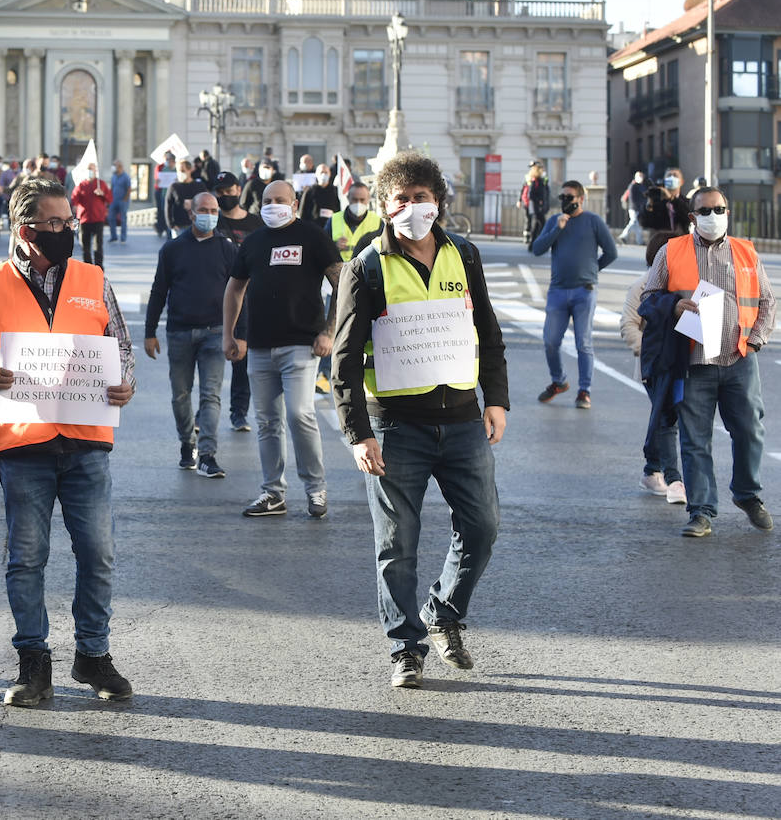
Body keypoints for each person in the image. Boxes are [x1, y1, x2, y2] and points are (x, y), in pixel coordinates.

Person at [0, 175, 136, 706]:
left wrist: (125, 382)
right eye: (53, 223)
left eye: (68, 222)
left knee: (98, 553)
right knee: (27, 558)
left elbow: (118, 346)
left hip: (86, 440)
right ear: (23, 229)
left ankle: (93, 656)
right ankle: (34, 664)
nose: (64, 231)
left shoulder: (93, 279)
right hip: (24, 444)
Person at [332, 151, 509, 689]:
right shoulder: (365, 267)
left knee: (482, 526)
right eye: (401, 200)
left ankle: (444, 611)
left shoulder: (466, 256)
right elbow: (343, 357)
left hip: (461, 421)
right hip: (394, 428)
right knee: (397, 545)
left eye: (422, 198)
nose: (413, 208)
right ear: (385, 207)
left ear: (439, 203)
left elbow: (489, 334)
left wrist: (496, 399)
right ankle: (405, 648)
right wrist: (358, 433)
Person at [640, 187, 776, 538]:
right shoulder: (673, 251)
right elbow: (648, 298)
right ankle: (701, 511)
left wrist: (756, 341)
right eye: (706, 210)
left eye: (720, 209)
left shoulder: (745, 251)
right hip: (693, 361)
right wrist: (673, 306)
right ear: (693, 216)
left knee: (750, 431)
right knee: (694, 439)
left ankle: (748, 495)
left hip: (738, 358)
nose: (714, 216)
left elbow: (767, 301)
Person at [222, 178, 340, 518]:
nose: (274, 205)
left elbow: (341, 282)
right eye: (268, 200)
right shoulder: (254, 241)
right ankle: (273, 493)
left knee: (299, 413)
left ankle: (315, 488)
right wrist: (229, 334)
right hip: (259, 346)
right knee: (267, 422)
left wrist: (329, 331)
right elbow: (234, 289)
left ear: (295, 204)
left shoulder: (313, 236)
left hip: (302, 344)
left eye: (281, 199)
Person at [146, 191, 235, 478]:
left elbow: (240, 292)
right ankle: (188, 444)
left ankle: (208, 454)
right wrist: (149, 332)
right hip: (180, 332)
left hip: (215, 332)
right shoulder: (172, 249)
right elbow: (159, 291)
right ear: (192, 213)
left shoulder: (227, 249)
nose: (209, 214)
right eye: (204, 209)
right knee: (180, 395)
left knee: (211, 395)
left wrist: (239, 334)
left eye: (214, 210)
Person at [530, 180, 618, 409]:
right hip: (558, 291)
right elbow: (537, 249)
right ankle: (559, 381)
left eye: (569, 197)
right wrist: (557, 229)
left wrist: (592, 270)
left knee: (583, 343)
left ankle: (584, 391)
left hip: (584, 291)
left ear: (581, 199)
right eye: (562, 198)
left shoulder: (593, 221)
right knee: (550, 341)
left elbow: (611, 252)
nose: (565, 202)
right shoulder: (554, 221)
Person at [621, 233, 684, 503]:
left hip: (680, 362)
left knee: (665, 415)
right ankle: (674, 478)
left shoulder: (683, 286)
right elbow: (628, 325)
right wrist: (648, 352)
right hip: (653, 367)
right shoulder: (642, 286)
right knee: (667, 417)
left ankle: (651, 469)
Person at [212, 173, 259, 432]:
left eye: (228, 190)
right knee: (213, 361)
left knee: (243, 359)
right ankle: (206, 411)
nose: (224, 196)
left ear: (238, 190)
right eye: (219, 192)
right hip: (218, 298)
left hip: (250, 298)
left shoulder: (256, 222)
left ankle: (239, 412)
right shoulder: (214, 221)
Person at [71, 163, 111, 268]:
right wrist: (74, 205)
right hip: (84, 219)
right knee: (85, 246)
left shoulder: (101, 184)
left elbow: (110, 198)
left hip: (98, 218)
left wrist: (102, 194)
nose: (90, 171)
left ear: (96, 171)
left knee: (98, 246)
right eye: (89, 169)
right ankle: (88, 268)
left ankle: (99, 268)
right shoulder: (81, 185)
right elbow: (74, 197)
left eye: (92, 169)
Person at [330, 182, 382, 263]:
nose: (358, 203)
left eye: (362, 200)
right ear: (348, 198)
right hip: (340, 270)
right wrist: (334, 246)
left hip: (366, 270)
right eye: (355, 199)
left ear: (368, 199)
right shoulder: (334, 220)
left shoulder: (378, 222)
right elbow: (322, 248)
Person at [166, 159, 206, 236]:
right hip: (179, 226)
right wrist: (171, 224)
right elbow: (168, 206)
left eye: (183, 171)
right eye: (178, 171)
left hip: (196, 226)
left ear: (189, 170)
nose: (180, 173)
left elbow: (206, 203)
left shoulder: (199, 186)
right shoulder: (174, 187)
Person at [520, 161, 550, 247]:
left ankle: (533, 244)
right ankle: (534, 242)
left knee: (537, 225)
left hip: (539, 206)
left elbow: (546, 191)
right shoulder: (534, 180)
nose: (542, 171)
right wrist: (539, 202)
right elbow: (531, 194)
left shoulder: (541, 179)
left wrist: (544, 203)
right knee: (540, 223)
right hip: (536, 207)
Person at [107, 161, 131, 245]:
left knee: (123, 220)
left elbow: (129, 189)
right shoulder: (113, 176)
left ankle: (123, 238)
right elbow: (111, 188)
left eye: (115, 165)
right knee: (111, 218)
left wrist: (125, 199)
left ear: (120, 167)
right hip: (114, 201)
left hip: (123, 201)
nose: (113, 167)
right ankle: (114, 237)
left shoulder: (126, 177)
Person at [153, 151, 175, 239]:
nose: (167, 161)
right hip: (163, 193)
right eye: (166, 159)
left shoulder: (176, 169)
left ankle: (169, 230)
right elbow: (158, 179)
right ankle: (164, 229)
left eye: (169, 159)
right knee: (163, 212)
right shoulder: (162, 168)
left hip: (172, 194)